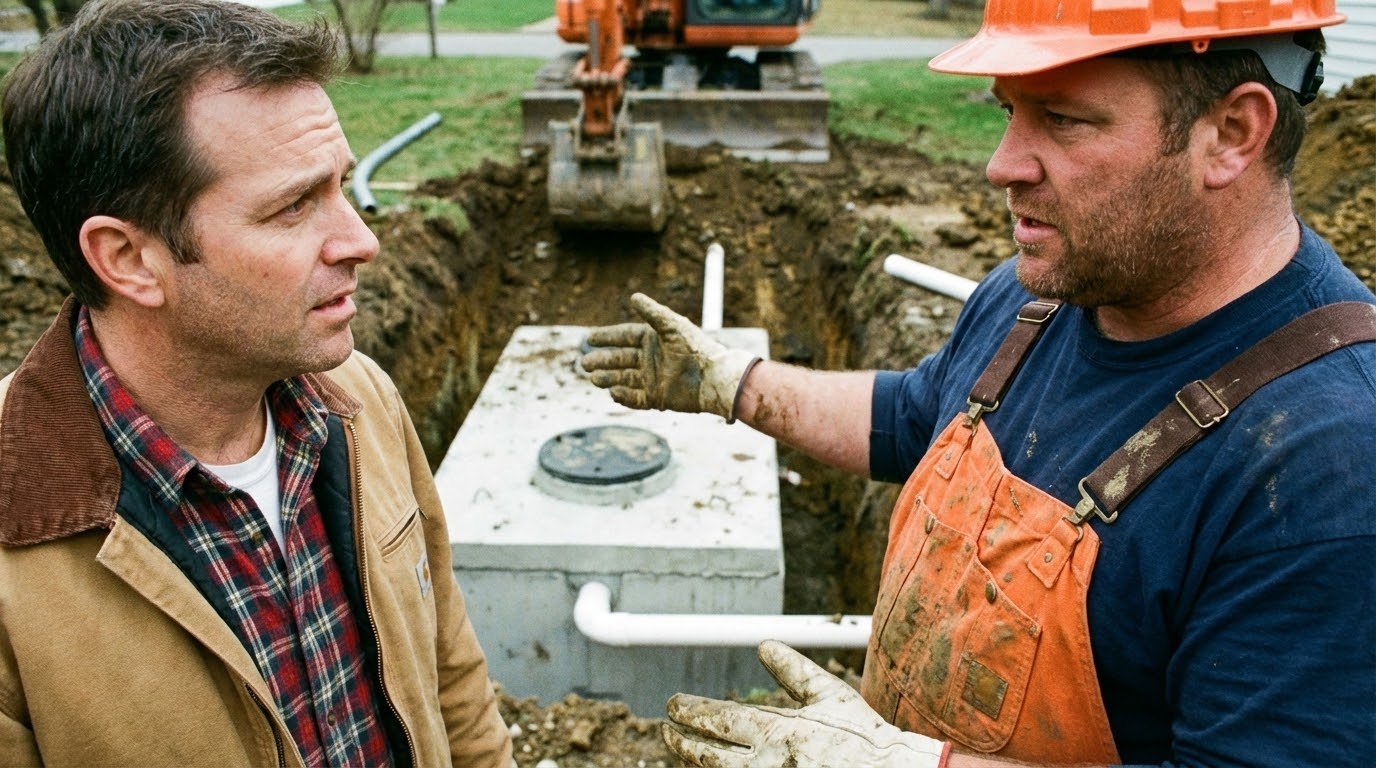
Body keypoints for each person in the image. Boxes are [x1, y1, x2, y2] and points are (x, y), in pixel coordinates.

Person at [580, 0, 1376, 765]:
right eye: (1008, 112)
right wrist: (738, 385)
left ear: (1232, 133)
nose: (1002, 165)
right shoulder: (1040, 297)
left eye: (1063, 120)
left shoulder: (1324, 463)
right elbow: (917, 415)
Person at [0, 1, 512, 765]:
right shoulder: (20, 541)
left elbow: (451, 679)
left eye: (341, 184)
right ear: (130, 259)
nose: (362, 241)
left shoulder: (360, 400)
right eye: (293, 206)